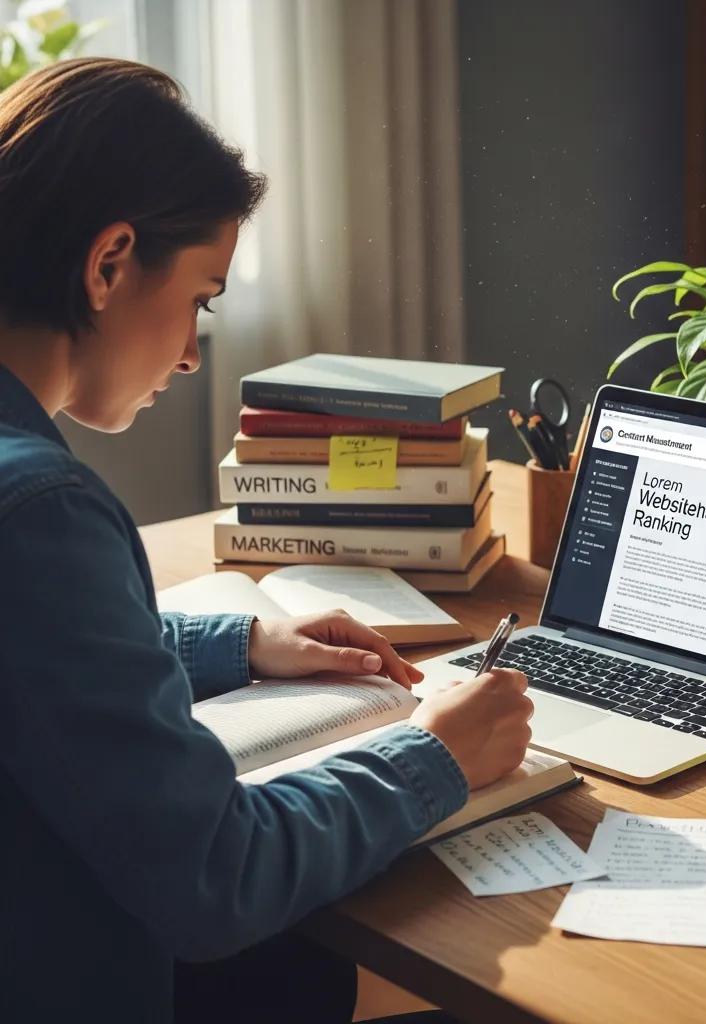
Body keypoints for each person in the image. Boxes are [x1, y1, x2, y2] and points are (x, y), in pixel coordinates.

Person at [0, 58, 532, 1023]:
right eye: (203, 296)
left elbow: (32, 660)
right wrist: (437, 755)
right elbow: (218, 874)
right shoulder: (38, 512)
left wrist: (238, 644)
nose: (196, 351)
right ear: (109, 262)